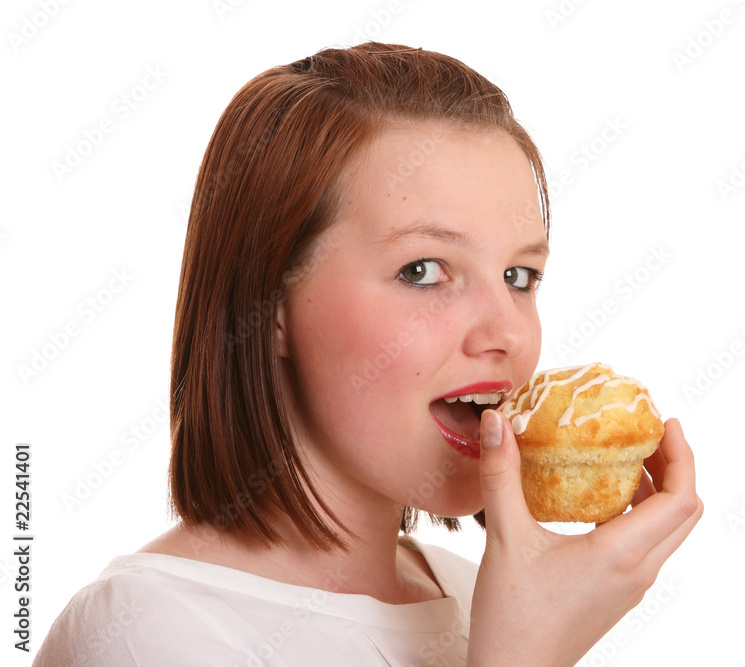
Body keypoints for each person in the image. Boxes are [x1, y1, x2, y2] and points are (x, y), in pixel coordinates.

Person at [34, 42, 703, 666]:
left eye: (520, 276)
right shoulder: (142, 630)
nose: (509, 333)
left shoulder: (482, 594)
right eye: (423, 270)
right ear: (269, 305)